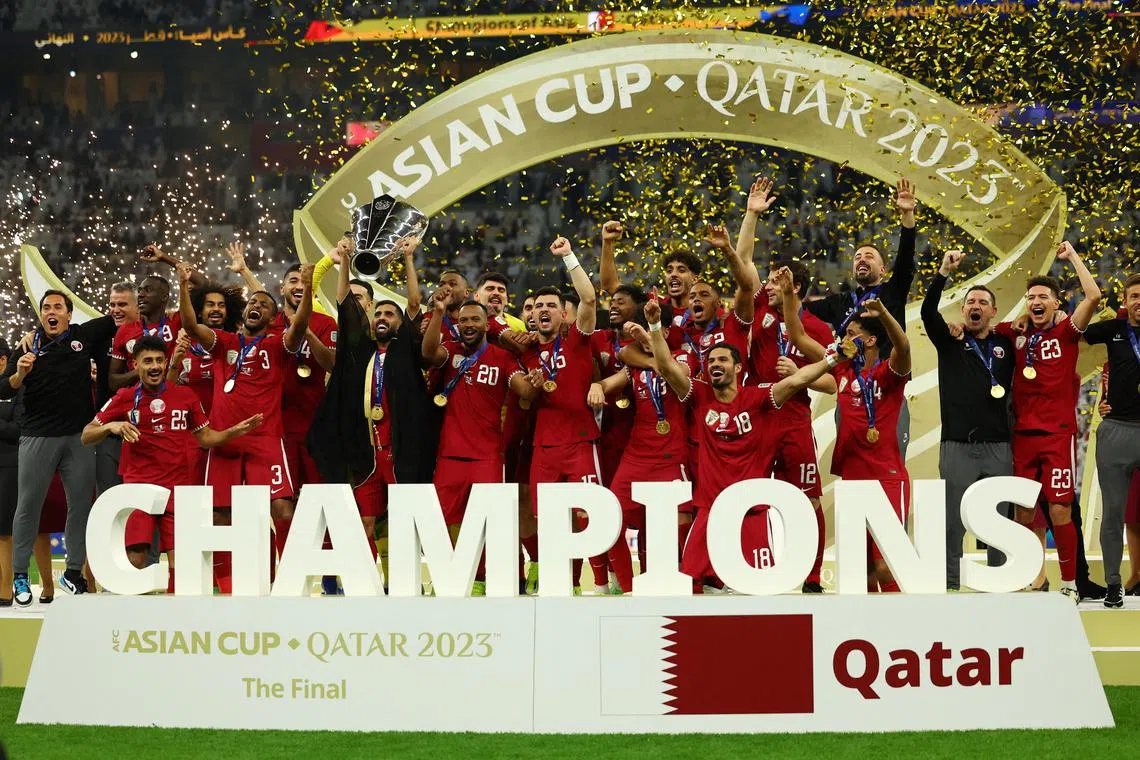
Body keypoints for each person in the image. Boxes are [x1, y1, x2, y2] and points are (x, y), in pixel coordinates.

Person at [643, 296, 856, 591]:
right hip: (709, 512)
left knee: (755, 594)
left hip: (751, 514)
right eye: (710, 361)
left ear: (738, 367)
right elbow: (666, 367)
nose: (713, 364)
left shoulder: (757, 399)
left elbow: (795, 382)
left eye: (721, 360)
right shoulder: (699, 396)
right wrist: (654, 324)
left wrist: (832, 359)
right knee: (691, 589)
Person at [176, 261, 315, 590]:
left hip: (266, 441)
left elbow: (300, 324)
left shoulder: (278, 345)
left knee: (282, 508)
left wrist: (308, 287)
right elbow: (191, 326)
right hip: (225, 442)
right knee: (220, 515)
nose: (257, 306)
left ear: (272, 318)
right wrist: (183, 286)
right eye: (253, 302)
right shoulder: (225, 342)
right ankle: (227, 588)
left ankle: (288, 583)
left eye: (265, 305)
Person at [82, 336, 263, 583]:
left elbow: (206, 438)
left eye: (158, 360)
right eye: (147, 361)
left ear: (166, 362)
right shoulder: (125, 397)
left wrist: (234, 431)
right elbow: (87, 434)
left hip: (177, 490)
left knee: (183, 568)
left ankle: (178, 619)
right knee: (135, 559)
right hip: (139, 489)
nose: (154, 366)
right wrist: (111, 426)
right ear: (135, 365)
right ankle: (127, 616)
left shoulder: (185, 396)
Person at [308, 235, 438, 579]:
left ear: (399, 323)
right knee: (363, 520)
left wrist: (409, 258)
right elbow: (342, 300)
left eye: (389, 314)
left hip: (400, 451)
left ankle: (404, 582)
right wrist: (345, 261)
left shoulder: (406, 350)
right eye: (378, 312)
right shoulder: (360, 351)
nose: (383, 317)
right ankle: (362, 581)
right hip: (367, 453)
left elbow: (413, 301)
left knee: (404, 520)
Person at [785, 280, 912, 593]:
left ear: (869, 341)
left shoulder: (889, 374)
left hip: (887, 476)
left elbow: (904, 347)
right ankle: (872, 631)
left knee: (886, 564)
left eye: (851, 333)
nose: (844, 338)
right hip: (853, 476)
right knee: (863, 568)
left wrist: (882, 313)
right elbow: (799, 336)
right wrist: (790, 293)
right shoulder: (841, 372)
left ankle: (906, 625)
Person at [993, 241, 1101, 603]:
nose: (1035, 301)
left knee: (1060, 508)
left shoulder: (1067, 332)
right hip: (1023, 435)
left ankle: (1069, 581)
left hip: (1057, 435)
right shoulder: (1017, 332)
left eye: (1043, 297)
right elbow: (990, 327)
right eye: (1031, 297)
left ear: (1057, 303)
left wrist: (1071, 257)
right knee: (1025, 511)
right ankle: (1034, 579)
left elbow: (1094, 296)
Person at [422, 292, 543, 594]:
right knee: (441, 523)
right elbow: (427, 354)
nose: (468, 324)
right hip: (449, 456)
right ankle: (449, 576)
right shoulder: (449, 352)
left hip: (488, 457)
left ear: (487, 324)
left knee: (489, 522)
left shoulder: (503, 358)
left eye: (475, 319)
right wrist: (438, 313)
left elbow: (523, 390)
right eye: (463, 320)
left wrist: (534, 383)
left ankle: (479, 580)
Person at [1, 290, 117, 604]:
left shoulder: (84, 336)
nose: (51, 312)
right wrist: (19, 374)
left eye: (58, 307)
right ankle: (21, 577)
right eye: (46, 308)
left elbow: (121, 317)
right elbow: (3, 387)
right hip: (37, 436)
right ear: (41, 315)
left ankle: (73, 572)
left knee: (81, 505)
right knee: (28, 506)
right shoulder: (28, 346)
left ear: (68, 314)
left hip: (79, 437)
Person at [921, 250, 1016, 591]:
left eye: (982, 302)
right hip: (957, 445)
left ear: (993, 311)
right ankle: (951, 581)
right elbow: (926, 312)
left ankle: (1001, 580)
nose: (975, 306)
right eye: (969, 302)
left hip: (998, 446)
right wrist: (944, 272)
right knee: (952, 520)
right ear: (962, 311)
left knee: (1000, 518)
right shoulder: (949, 342)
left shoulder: (1008, 345)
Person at [805, 179, 917, 454]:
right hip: (849, 388)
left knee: (891, 460)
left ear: (882, 268)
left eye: (869, 256)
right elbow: (801, 310)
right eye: (857, 257)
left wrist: (906, 215)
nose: (862, 259)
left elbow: (905, 258)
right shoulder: (839, 301)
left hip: (889, 386)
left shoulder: (893, 291)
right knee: (852, 465)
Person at [588, 304, 694, 593]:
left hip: (672, 454)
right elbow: (616, 372)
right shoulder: (633, 364)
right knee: (609, 521)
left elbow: (673, 371)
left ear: (666, 331)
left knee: (680, 523)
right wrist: (598, 385)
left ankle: (686, 583)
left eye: (652, 327)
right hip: (636, 455)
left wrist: (649, 336)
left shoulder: (685, 356)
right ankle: (627, 588)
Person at [518, 237, 599, 595]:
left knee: (589, 516)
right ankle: (558, 582)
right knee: (547, 520)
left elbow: (589, 298)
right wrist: (532, 388)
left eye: (553, 305)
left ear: (563, 314)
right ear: (530, 316)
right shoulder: (524, 353)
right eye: (539, 307)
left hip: (580, 441)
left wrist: (568, 256)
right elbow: (522, 404)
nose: (545, 310)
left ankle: (600, 582)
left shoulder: (577, 340)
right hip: (544, 448)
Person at [1083, 272, 1140, 608]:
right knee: (1114, 512)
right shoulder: (1114, 331)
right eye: (1134, 296)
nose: (1139, 301)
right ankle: (1114, 584)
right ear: (1125, 301)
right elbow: (1072, 332)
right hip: (1117, 429)